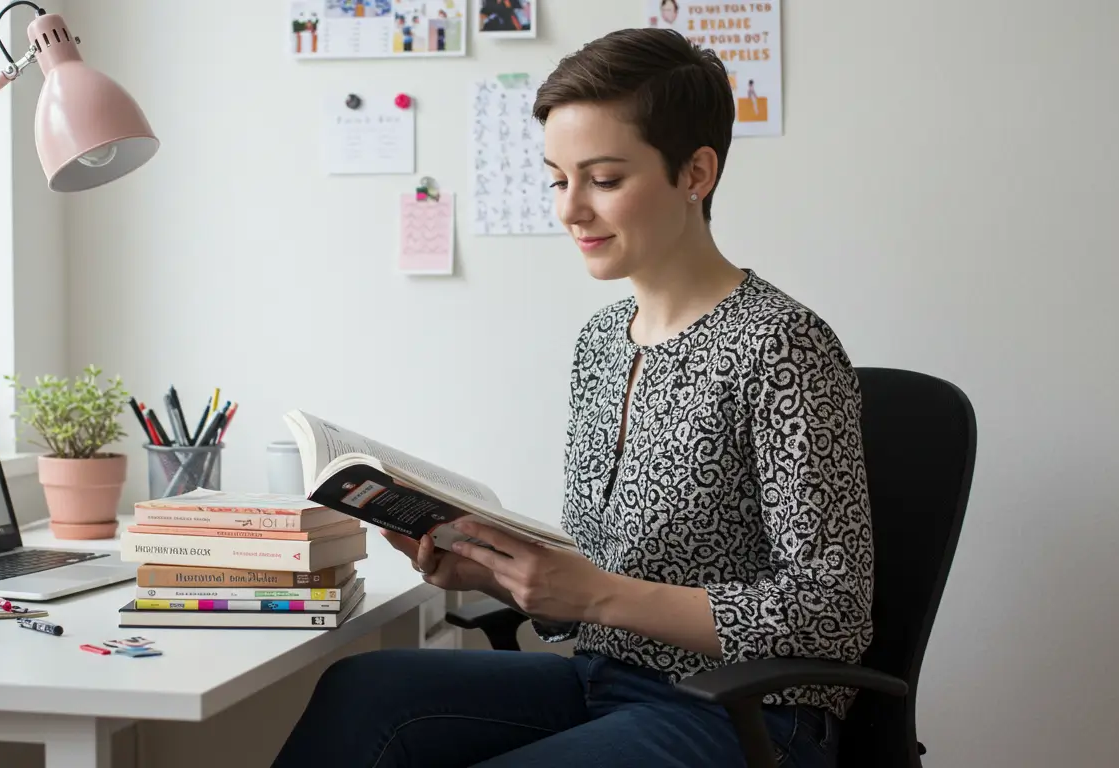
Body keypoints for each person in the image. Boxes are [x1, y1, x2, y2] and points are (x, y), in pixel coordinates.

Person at [270, 27, 873, 768]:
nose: (570, 210)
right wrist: (496, 574)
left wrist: (593, 597)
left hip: (746, 714)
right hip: (603, 680)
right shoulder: (602, 341)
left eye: (604, 179)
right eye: (558, 179)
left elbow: (833, 614)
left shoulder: (782, 345)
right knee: (363, 692)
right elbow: (597, 573)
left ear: (696, 173)